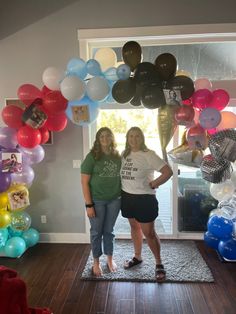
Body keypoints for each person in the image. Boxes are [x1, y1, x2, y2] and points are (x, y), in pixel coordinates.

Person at [120, 126, 173, 282]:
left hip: (144, 199)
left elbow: (168, 172)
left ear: (142, 138)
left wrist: (154, 183)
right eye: (131, 136)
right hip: (127, 198)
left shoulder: (149, 155)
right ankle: (137, 257)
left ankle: (159, 263)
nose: (133, 139)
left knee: (149, 233)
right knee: (134, 227)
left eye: (137, 136)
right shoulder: (124, 154)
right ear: (127, 138)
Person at [81, 127, 121, 277]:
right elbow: (84, 183)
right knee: (97, 232)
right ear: (98, 139)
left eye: (107, 136)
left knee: (109, 231)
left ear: (112, 138)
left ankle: (110, 259)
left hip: (115, 199)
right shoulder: (92, 157)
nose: (104, 138)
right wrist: (89, 204)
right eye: (101, 136)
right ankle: (96, 262)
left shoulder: (117, 156)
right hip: (97, 200)